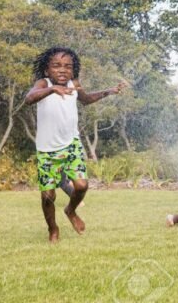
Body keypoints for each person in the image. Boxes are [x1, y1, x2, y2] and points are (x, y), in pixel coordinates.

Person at [25, 47, 127, 243]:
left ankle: (70, 211)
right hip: (47, 149)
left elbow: (87, 100)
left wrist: (109, 91)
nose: (62, 70)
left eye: (67, 67)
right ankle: (53, 229)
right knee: (48, 196)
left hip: (71, 144)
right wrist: (52, 89)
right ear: (47, 70)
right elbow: (29, 98)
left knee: (81, 185)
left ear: (73, 71)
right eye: (56, 66)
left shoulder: (74, 84)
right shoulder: (43, 83)